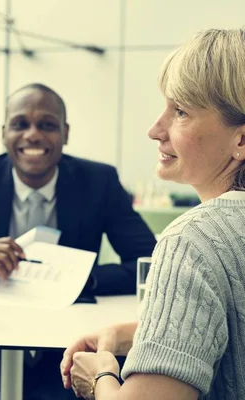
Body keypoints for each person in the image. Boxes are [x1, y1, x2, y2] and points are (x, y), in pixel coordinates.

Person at [0, 82, 157, 399]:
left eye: (47, 125)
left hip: (72, 337)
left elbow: (149, 262)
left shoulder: (99, 182)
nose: (33, 135)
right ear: (4, 133)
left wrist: (82, 280)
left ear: (65, 133)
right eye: (20, 124)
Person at [60, 28, 245, 400]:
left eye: (180, 112)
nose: (154, 130)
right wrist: (143, 332)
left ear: (240, 140)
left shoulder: (194, 239)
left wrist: (99, 378)